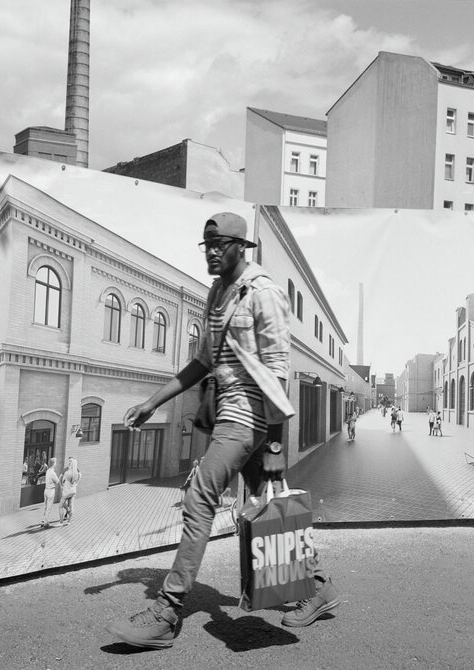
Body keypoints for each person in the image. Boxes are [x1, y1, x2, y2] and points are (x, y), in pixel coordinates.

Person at [106, 212, 339, 650]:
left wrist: (273, 444)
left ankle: (167, 612)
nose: (211, 252)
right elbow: (203, 362)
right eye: (206, 244)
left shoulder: (263, 293)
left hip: (251, 418)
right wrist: (153, 402)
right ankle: (318, 587)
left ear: (239, 247)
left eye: (219, 244)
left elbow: (277, 373)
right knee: (271, 509)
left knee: (199, 499)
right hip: (230, 416)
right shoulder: (218, 293)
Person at [59, 456, 81, 525]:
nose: (70, 462)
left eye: (71, 460)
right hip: (73, 491)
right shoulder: (75, 470)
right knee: (70, 505)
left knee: (61, 505)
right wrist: (76, 483)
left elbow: (61, 478)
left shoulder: (67, 472)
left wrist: (62, 486)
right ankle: (69, 521)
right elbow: (80, 475)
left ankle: (62, 521)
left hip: (67, 491)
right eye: (69, 460)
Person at [41, 457, 59, 528]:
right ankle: (46, 523)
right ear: (54, 464)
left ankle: (43, 520)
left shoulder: (48, 471)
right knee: (49, 507)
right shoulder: (52, 473)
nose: (56, 464)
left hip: (46, 490)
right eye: (55, 462)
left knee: (45, 506)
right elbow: (57, 481)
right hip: (51, 491)